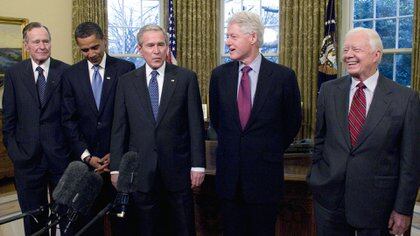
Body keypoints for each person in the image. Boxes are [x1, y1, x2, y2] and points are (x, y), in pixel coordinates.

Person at [307, 27, 420, 236]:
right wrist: (316, 177)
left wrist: (403, 209)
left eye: (356, 49)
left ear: (376, 55)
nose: (348, 55)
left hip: (378, 205)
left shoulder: (404, 99)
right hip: (330, 201)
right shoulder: (329, 91)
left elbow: (410, 161)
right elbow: (320, 140)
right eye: (346, 49)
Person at [209, 12, 302, 235]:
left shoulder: (283, 77)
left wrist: (266, 148)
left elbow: (292, 123)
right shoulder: (219, 76)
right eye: (227, 36)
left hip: (265, 179)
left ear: (252, 37)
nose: (227, 42)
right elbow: (217, 121)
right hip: (229, 181)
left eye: (232, 36)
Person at [109, 24, 205, 236]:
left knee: (182, 228)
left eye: (161, 44)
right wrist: (116, 168)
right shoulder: (126, 82)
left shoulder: (185, 78)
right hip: (140, 172)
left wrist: (198, 165)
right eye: (150, 45)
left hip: (177, 170)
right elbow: (119, 128)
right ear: (139, 48)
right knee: (147, 229)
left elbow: (195, 125)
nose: (156, 50)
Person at [61, 22, 135, 235]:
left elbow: (130, 118)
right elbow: (68, 120)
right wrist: (86, 156)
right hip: (87, 163)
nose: (91, 53)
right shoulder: (71, 75)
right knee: (89, 223)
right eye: (85, 49)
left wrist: (116, 152)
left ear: (104, 41)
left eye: (95, 47)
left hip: (117, 162)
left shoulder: (125, 69)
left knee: (123, 222)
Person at [2, 22, 70, 235]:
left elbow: (72, 117)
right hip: (27, 161)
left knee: (67, 215)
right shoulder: (14, 74)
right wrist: (16, 154)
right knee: (33, 219)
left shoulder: (66, 72)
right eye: (36, 41)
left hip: (60, 158)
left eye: (46, 41)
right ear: (26, 45)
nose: (42, 46)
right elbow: (9, 120)